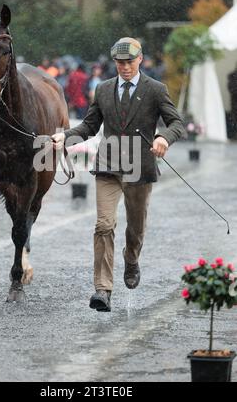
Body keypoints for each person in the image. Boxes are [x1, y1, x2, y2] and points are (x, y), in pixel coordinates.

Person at [52, 37, 185, 312]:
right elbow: (89, 126)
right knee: (103, 225)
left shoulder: (155, 90)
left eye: (129, 62)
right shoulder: (102, 90)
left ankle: (132, 259)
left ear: (140, 59)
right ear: (115, 63)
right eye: (120, 62)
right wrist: (64, 137)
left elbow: (176, 123)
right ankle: (103, 289)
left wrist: (163, 138)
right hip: (108, 166)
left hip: (140, 167)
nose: (124, 67)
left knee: (135, 228)